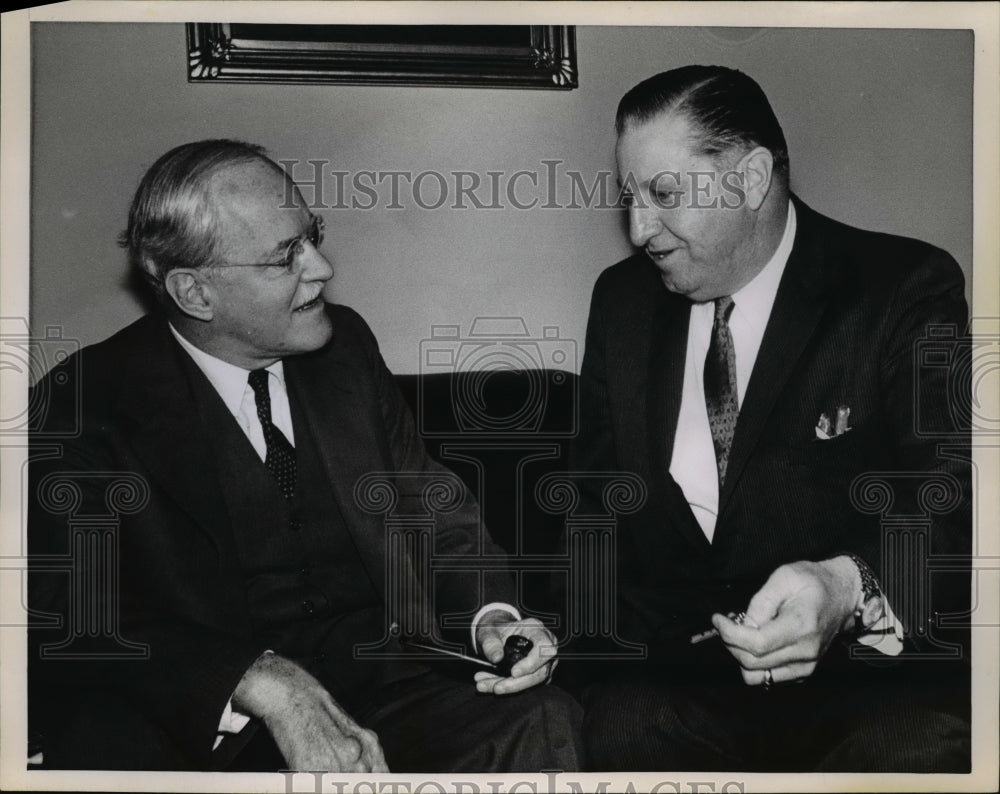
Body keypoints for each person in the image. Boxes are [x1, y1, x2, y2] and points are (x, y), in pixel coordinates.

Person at [28, 140, 582, 772]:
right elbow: (68, 619)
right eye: (283, 256)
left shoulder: (345, 347)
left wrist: (494, 616)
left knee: (541, 718)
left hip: (387, 688)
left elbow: (429, 503)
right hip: (214, 732)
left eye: (311, 236)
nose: (321, 268)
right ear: (194, 293)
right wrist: (259, 681)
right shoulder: (83, 405)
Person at [570, 66, 971, 772]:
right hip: (682, 680)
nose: (637, 230)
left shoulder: (901, 287)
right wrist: (550, 632)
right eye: (629, 197)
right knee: (616, 730)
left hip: (865, 679)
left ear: (752, 179)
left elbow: (951, 495)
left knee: (910, 749)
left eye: (664, 195)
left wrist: (850, 586)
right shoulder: (622, 302)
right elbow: (591, 505)